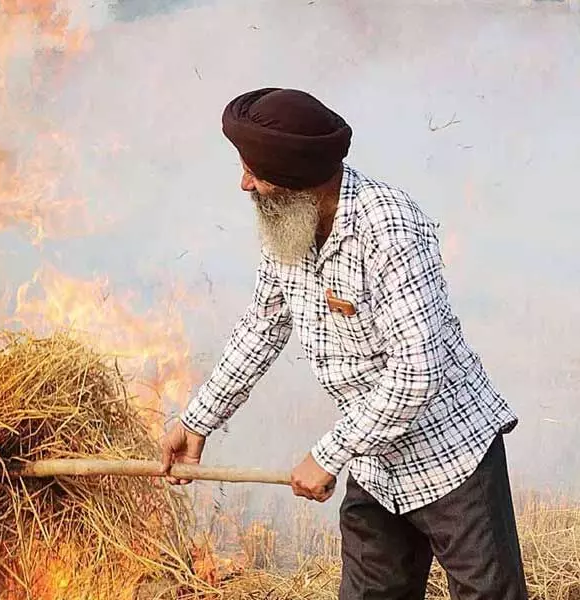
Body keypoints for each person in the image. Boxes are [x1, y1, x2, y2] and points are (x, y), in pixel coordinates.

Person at [159, 87, 528, 599]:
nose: (244, 184)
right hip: (376, 465)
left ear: (298, 180)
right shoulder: (289, 229)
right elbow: (262, 327)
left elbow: (417, 371)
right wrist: (198, 421)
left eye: (255, 172)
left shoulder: (390, 229)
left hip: (452, 463)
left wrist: (329, 454)